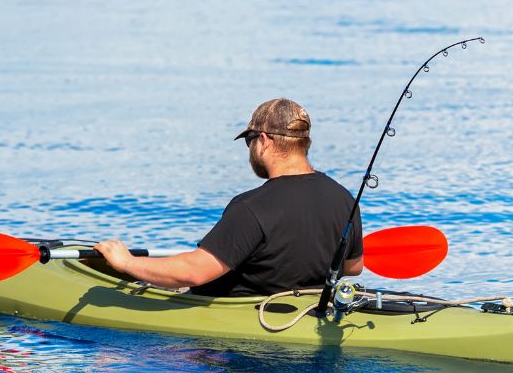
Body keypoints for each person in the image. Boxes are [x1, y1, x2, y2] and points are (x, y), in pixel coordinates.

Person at [94, 98, 363, 296]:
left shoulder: (251, 207)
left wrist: (127, 261)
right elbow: (353, 266)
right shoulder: (343, 198)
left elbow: (194, 272)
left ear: (264, 141)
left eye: (250, 141)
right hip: (303, 312)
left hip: (237, 327)